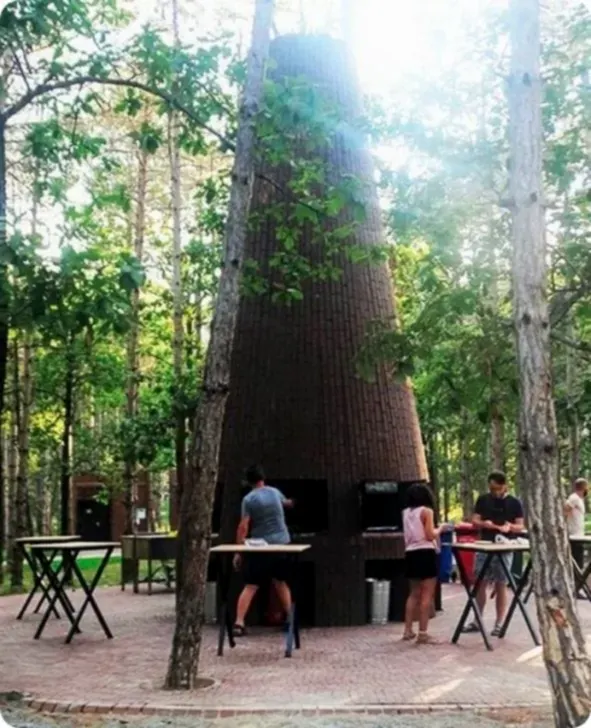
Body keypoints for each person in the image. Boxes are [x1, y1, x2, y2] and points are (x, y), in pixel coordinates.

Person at [232, 465, 294, 637]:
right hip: (282, 544)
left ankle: (239, 623)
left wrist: (238, 551)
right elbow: (287, 503)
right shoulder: (275, 492)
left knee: (251, 585)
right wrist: (292, 502)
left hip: (261, 547)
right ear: (263, 478)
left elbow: (243, 526)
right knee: (281, 582)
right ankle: (290, 618)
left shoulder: (249, 499)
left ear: (248, 481)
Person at [463, 471, 524, 637]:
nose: (494, 492)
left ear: (505, 486)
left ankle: (499, 623)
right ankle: (477, 620)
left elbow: (520, 525)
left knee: (501, 583)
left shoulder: (514, 502)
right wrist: (484, 524)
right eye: (491, 488)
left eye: (497, 488)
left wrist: (510, 527)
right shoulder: (483, 499)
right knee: (479, 582)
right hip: (485, 544)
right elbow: (475, 520)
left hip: (505, 546)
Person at [402, 483, 445, 645]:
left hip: (410, 553)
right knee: (427, 594)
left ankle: (407, 630)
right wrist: (441, 528)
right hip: (426, 552)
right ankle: (423, 633)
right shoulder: (427, 511)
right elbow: (430, 535)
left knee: (413, 593)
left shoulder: (405, 513)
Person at [565, 477, 588, 578]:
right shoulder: (574, 498)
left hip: (579, 533)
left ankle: (578, 580)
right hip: (574, 534)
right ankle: (576, 581)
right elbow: (565, 510)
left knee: (579, 560)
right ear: (584, 487)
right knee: (576, 561)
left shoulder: (579, 499)